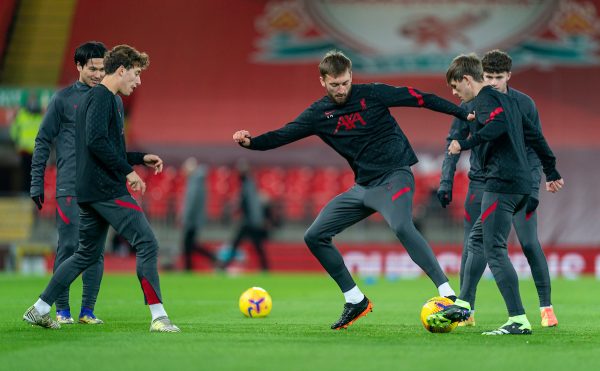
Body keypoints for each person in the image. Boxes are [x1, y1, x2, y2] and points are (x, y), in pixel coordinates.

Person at [233, 50, 472, 330]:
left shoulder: (372, 94)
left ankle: (449, 295)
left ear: (350, 77)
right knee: (315, 236)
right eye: (334, 84)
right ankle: (355, 299)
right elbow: (283, 135)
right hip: (364, 187)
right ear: (323, 81)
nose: (341, 89)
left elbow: (420, 98)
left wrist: (462, 113)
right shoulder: (318, 114)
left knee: (403, 227)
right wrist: (251, 143)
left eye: (345, 82)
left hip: (395, 176)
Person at [23, 44, 180, 332]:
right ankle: (159, 316)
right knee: (147, 243)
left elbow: (104, 145)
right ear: (121, 70)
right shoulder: (102, 98)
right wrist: (127, 172)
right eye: (136, 74)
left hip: (87, 188)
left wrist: (137, 158)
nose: (138, 81)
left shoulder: (95, 100)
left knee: (84, 254)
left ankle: (39, 308)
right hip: (104, 188)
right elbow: (96, 143)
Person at [427, 54, 564, 335]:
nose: (454, 93)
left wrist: (465, 143)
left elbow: (497, 127)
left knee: (494, 249)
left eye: (455, 86)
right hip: (516, 183)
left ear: (467, 79)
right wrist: (551, 171)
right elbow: (536, 138)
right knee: (477, 239)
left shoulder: (485, 101)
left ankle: (518, 319)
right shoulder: (511, 102)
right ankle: (464, 304)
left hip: (501, 184)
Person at [29, 41, 107, 325]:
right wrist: (36, 181)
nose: (98, 74)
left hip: (100, 188)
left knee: (96, 250)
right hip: (70, 187)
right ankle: (62, 310)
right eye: (92, 69)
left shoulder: (110, 100)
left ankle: (88, 311)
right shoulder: (63, 100)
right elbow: (42, 140)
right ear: (78, 66)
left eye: (102, 69)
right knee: (70, 246)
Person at [219, 159, 272, 272]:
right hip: (250, 221)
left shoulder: (248, 184)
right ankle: (265, 268)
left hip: (250, 221)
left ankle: (224, 265)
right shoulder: (248, 183)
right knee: (253, 245)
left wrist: (256, 219)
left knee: (238, 243)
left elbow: (251, 204)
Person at [180, 157, 217, 271]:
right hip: (194, 219)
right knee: (190, 245)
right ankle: (211, 258)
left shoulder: (195, 182)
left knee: (188, 245)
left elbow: (191, 203)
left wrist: (185, 217)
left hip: (192, 220)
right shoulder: (197, 180)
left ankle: (189, 268)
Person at [10, 93, 43, 192]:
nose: (32, 103)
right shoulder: (21, 114)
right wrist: (16, 142)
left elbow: (45, 132)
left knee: (36, 174)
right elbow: (14, 130)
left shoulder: (40, 116)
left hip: (37, 151)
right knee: (25, 173)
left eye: (34, 100)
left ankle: (35, 193)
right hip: (24, 150)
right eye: (31, 100)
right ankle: (25, 193)